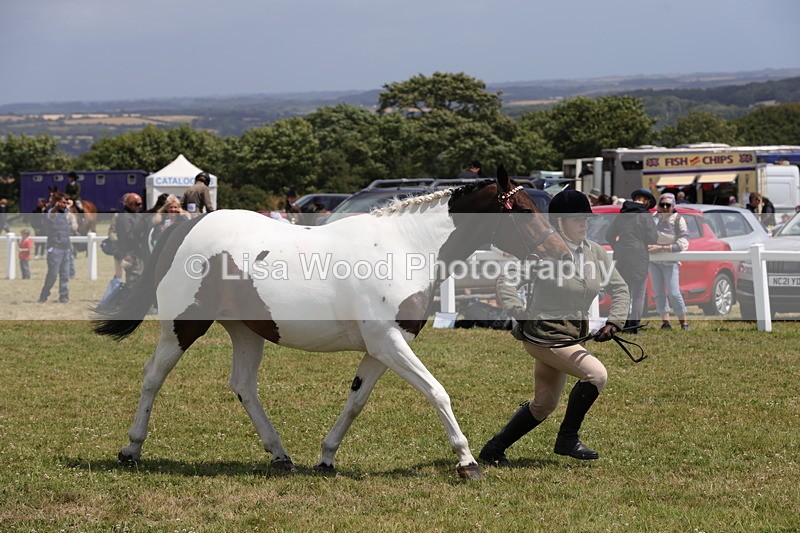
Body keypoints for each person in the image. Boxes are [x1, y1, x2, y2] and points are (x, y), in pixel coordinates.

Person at [479, 189, 630, 465]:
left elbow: (619, 288)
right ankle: (567, 438)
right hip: (543, 333)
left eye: (586, 219)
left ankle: (493, 450)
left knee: (544, 404)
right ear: (559, 222)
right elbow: (507, 281)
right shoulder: (542, 253)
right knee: (596, 375)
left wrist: (614, 322)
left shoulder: (595, 252)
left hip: (571, 334)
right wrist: (516, 309)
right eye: (577, 220)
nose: (584, 224)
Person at [605, 188, 659, 333]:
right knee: (638, 294)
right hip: (639, 256)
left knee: (624, 292)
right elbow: (653, 238)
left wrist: (617, 246)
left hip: (621, 255)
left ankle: (620, 324)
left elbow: (609, 235)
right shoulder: (645, 215)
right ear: (646, 201)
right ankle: (633, 326)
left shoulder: (622, 213)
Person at [648, 193, 689, 331]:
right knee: (658, 292)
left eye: (668, 205)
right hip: (653, 261)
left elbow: (683, 244)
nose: (665, 208)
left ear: (673, 206)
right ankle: (665, 322)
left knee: (674, 293)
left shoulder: (678, 220)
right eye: (662, 205)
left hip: (670, 261)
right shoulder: (652, 218)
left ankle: (684, 323)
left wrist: (661, 247)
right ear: (658, 206)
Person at [37, 193, 77, 303]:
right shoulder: (51, 212)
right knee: (53, 275)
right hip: (55, 249)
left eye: (65, 203)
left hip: (66, 249)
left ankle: (64, 297)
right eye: (63, 203)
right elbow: (51, 214)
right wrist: (55, 206)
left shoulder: (65, 213)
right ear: (57, 202)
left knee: (65, 275)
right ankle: (44, 295)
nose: (65, 205)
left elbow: (69, 205)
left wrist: (67, 204)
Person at [116, 192, 145, 284]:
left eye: (141, 204)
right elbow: (128, 237)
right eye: (138, 204)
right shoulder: (125, 217)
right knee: (134, 280)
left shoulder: (135, 215)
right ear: (131, 204)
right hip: (131, 254)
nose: (140, 206)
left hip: (135, 252)